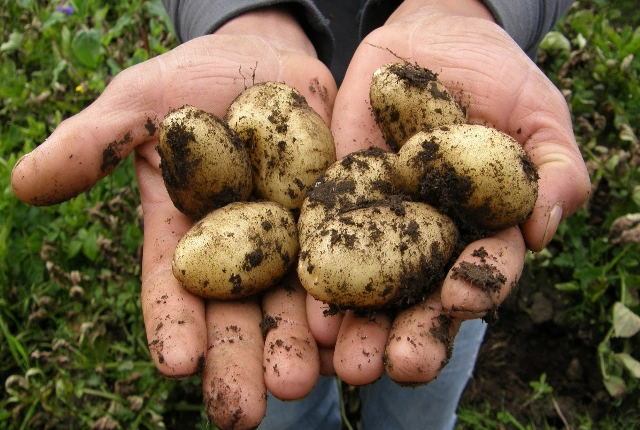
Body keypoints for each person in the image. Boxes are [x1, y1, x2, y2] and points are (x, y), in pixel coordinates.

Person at [11, 0, 591, 428]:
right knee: (283, 391)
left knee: (426, 373)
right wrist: (245, 15)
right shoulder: (295, 202)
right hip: (285, 100)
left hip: (449, 212)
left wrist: (466, 8)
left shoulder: (418, 175)